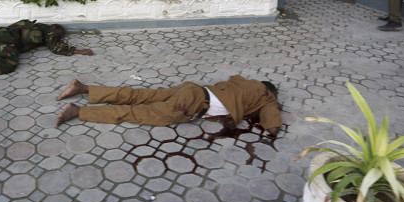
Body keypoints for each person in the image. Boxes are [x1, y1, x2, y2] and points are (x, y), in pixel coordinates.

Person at [56, 75, 282, 136]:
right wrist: (273, 110)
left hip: (191, 89)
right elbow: (272, 126)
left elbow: (228, 85)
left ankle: (84, 88)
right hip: (192, 103)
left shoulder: (244, 82)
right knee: (137, 113)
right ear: (270, 91)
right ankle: (79, 111)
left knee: (139, 95)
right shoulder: (268, 98)